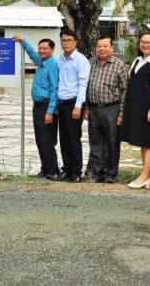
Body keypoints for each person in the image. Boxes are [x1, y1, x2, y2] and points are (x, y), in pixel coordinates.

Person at [122, 32, 150, 189]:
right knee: (142, 141)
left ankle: (145, 176)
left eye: (149, 42)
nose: (145, 45)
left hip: (149, 108)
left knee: (149, 142)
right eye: (142, 42)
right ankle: (146, 175)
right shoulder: (137, 60)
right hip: (136, 107)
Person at [13, 35, 60, 180]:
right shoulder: (41, 62)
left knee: (46, 140)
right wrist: (23, 41)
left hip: (46, 107)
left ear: (52, 50)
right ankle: (45, 169)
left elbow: (55, 89)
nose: (42, 50)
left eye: (45, 48)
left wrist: (50, 111)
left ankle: (53, 171)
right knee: (40, 139)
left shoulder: (52, 65)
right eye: (40, 48)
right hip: (38, 106)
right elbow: (33, 54)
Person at [84, 37, 128, 183]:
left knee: (112, 142)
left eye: (105, 46)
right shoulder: (90, 63)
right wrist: (87, 107)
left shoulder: (119, 65)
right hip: (94, 109)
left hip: (112, 109)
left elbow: (125, 90)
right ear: (95, 48)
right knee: (95, 142)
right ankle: (97, 174)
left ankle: (111, 174)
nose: (102, 49)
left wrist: (121, 114)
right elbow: (85, 86)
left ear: (111, 48)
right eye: (99, 46)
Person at [56, 29, 91, 183]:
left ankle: (76, 172)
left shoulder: (81, 60)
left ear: (75, 42)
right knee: (63, 138)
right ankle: (67, 168)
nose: (66, 43)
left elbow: (83, 84)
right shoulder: (60, 59)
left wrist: (78, 106)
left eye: (69, 40)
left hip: (74, 103)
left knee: (74, 138)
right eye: (63, 40)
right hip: (62, 102)